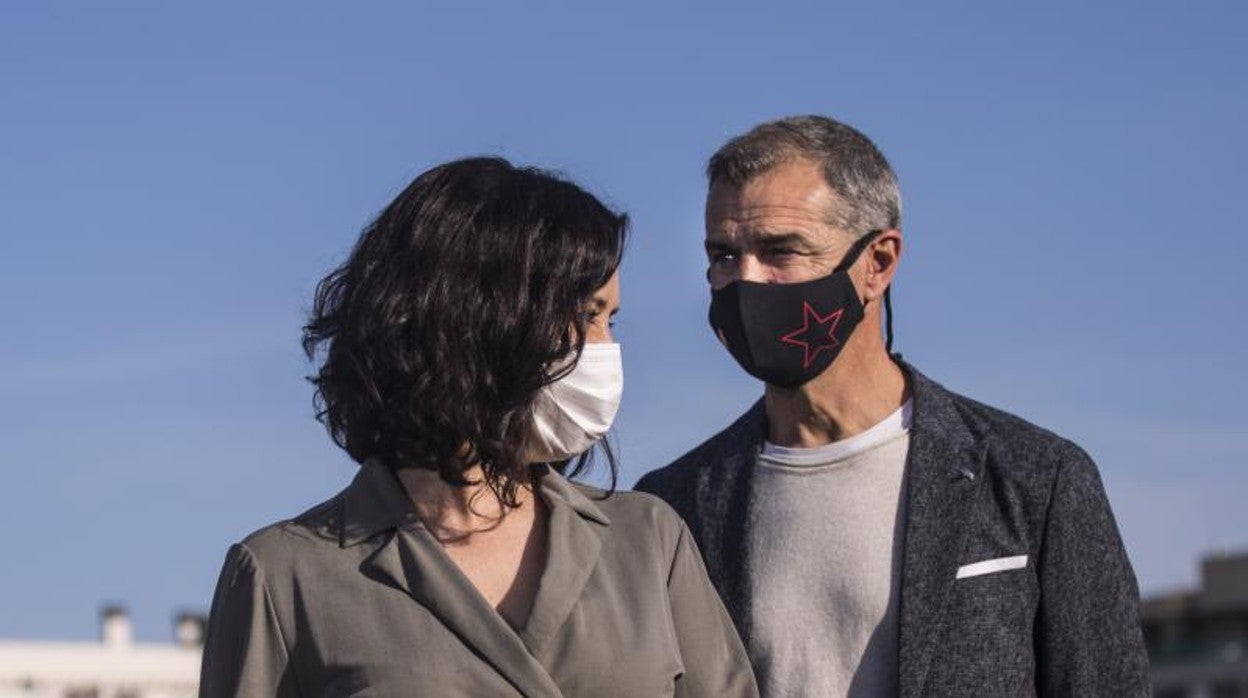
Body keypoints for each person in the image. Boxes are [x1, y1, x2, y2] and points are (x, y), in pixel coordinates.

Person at [200, 157, 758, 697]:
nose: (607, 348)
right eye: (588, 315)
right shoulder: (284, 576)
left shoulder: (649, 539)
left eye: (611, 320)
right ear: (479, 315)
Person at [636, 116, 1150, 696]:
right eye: (724, 256)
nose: (745, 281)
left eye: (781, 251)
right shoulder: (670, 508)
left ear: (877, 263)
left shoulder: (1035, 481)